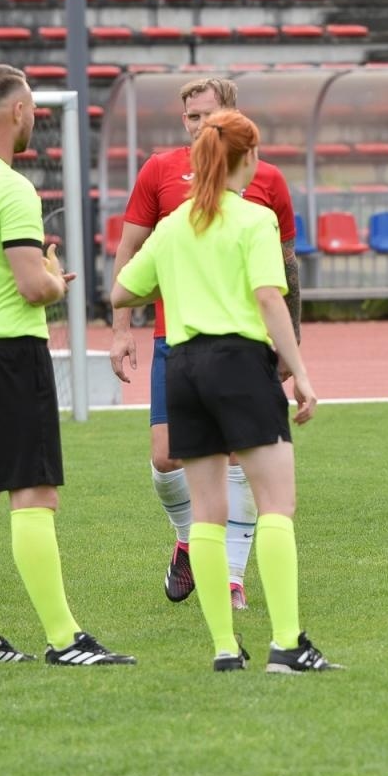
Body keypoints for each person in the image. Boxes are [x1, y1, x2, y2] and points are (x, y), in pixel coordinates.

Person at [113, 108, 340, 673]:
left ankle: (223, 648)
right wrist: (301, 372)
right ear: (250, 157)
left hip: (183, 367)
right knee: (276, 507)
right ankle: (288, 645)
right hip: (238, 363)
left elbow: (121, 292)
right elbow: (269, 297)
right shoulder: (253, 219)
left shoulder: (173, 224)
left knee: (206, 516)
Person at [0, 64, 134, 665]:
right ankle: (65, 640)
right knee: (35, 494)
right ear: (17, 111)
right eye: (33, 109)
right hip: (10, 355)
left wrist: (28, 276)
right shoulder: (12, 188)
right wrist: (50, 275)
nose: (35, 118)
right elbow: (31, 288)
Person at [110, 77, 299, 612]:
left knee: (237, 459)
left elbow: (285, 271)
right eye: (190, 117)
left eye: (207, 116)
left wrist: (292, 342)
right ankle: (190, 540)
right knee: (167, 458)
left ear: (232, 117)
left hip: (247, 343)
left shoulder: (269, 185)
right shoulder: (160, 173)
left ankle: (231, 578)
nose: (197, 126)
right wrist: (123, 329)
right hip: (179, 340)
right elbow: (128, 252)